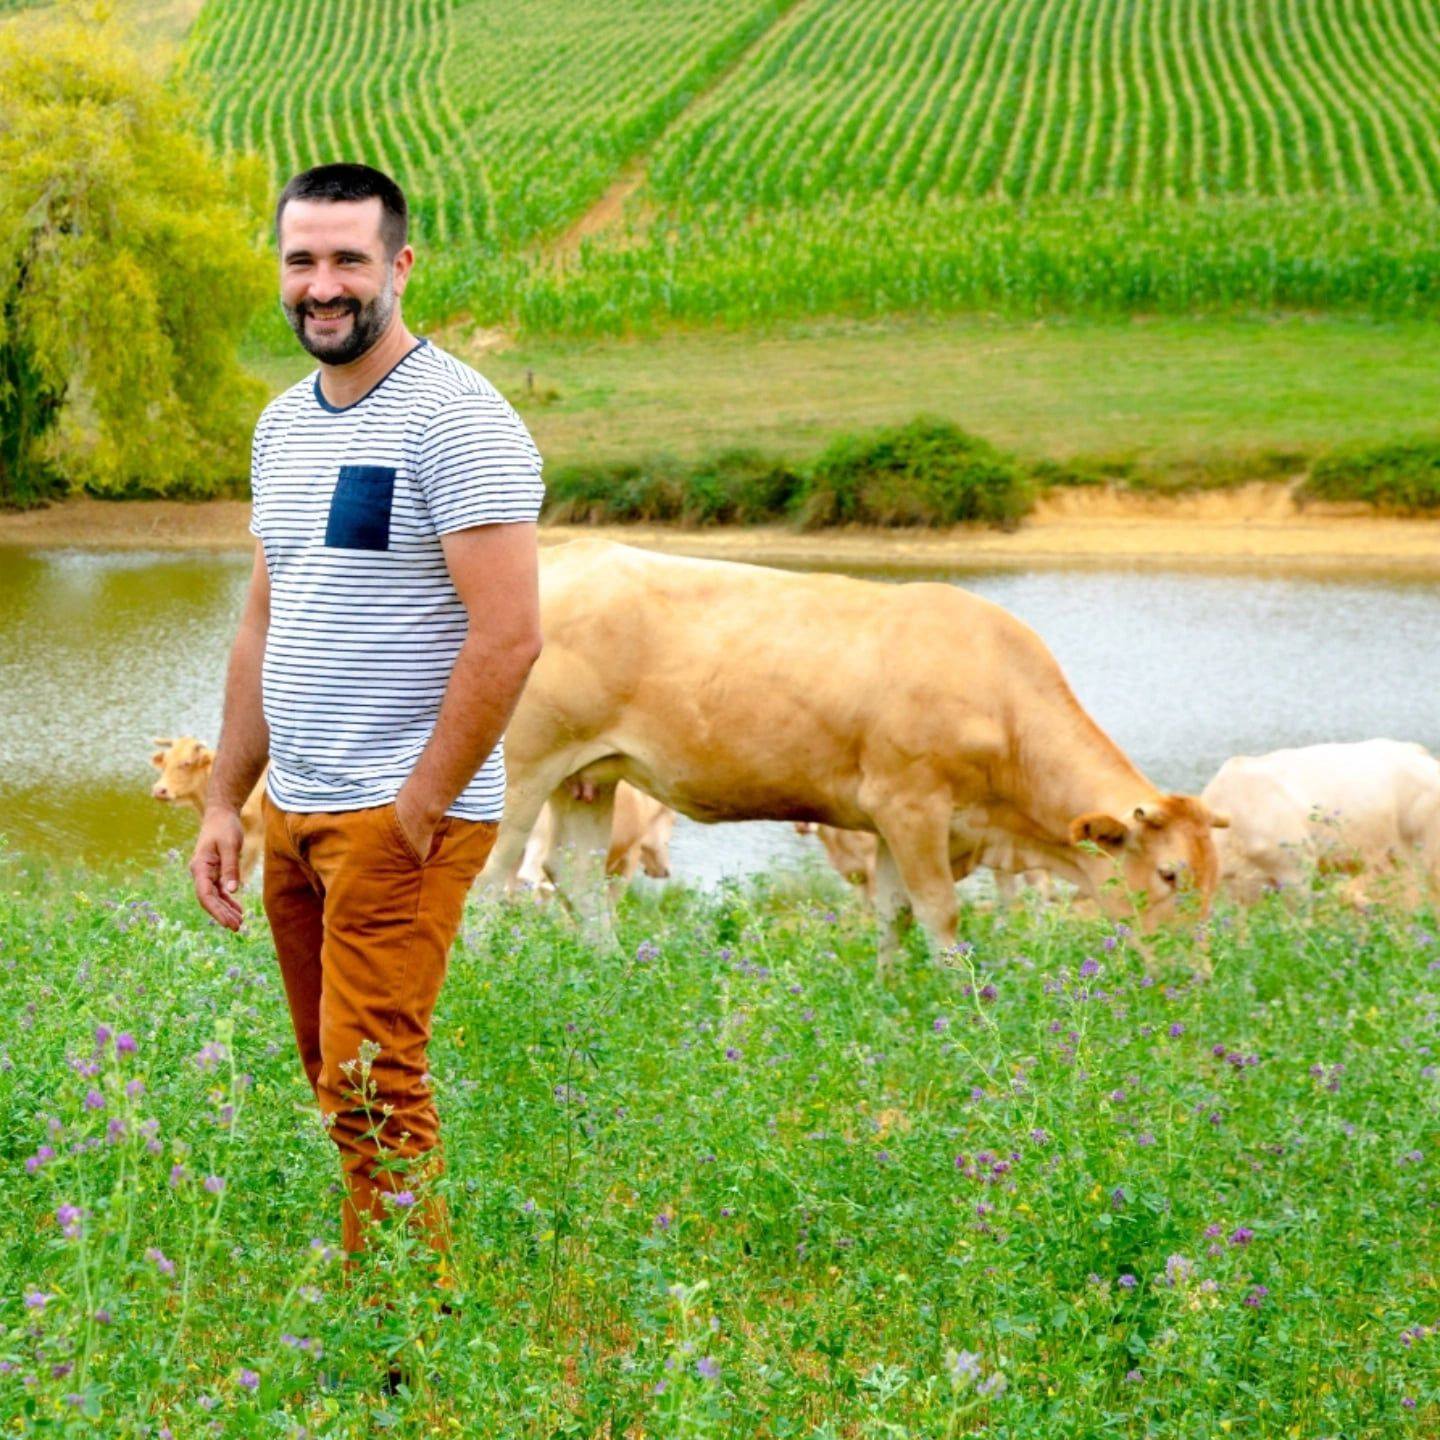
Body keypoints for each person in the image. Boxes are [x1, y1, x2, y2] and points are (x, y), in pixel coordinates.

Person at [189, 163, 544, 1271]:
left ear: (399, 266)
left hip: (398, 816)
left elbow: (509, 638)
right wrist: (225, 802)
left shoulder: (458, 421)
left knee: (374, 1081)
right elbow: (266, 620)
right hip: (296, 812)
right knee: (333, 1073)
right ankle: (381, 1295)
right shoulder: (282, 427)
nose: (322, 285)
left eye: (349, 259)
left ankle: (407, 1339)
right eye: (302, 261)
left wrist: (416, 812)